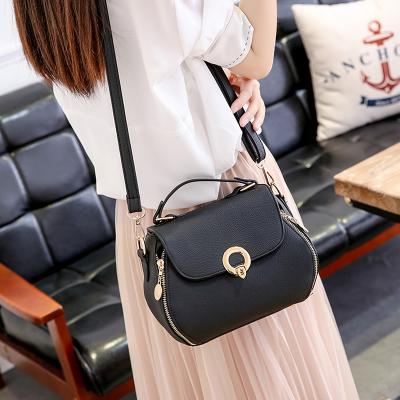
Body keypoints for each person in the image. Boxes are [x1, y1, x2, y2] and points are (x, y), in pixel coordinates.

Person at [13, 0, 360, 398]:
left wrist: (227, 72)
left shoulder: (42, 8)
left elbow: (149, 67)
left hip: (148, 222)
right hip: (228, 198)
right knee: (273, 369)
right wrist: (245, 67)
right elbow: (257, 54)